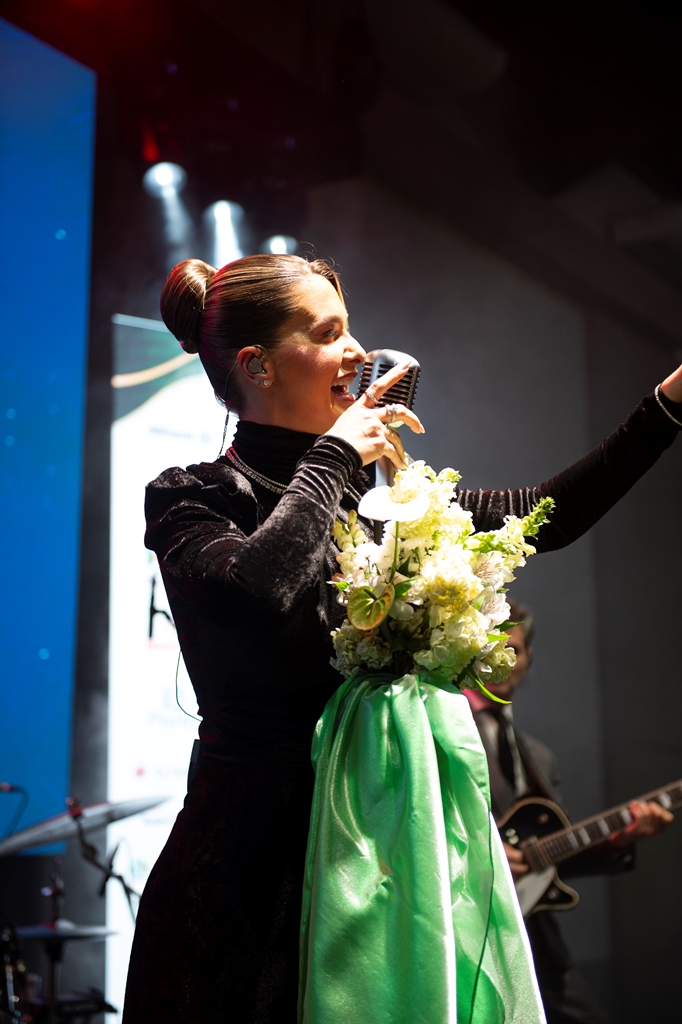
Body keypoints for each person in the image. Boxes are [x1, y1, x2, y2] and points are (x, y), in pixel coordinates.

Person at [121, 252, 682, 1024]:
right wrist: (336, 453)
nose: (357, 351)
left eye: (350, 328)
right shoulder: (194, 495)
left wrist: (667, 406)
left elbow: (546, 514)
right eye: (328, 333)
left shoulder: (380, 500)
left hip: (382, 850)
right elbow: (258, 587)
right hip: (257, 864)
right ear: (258, 365)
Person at [465, 602, 673, 1023]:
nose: (503, 660)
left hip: (536, 940)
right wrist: (482, 857)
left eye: (514, 649)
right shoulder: (444, 734)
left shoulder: (539, 757)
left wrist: (623, 837)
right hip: (469, 933)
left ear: (529, 657)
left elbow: (552, 855)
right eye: (491, 647)